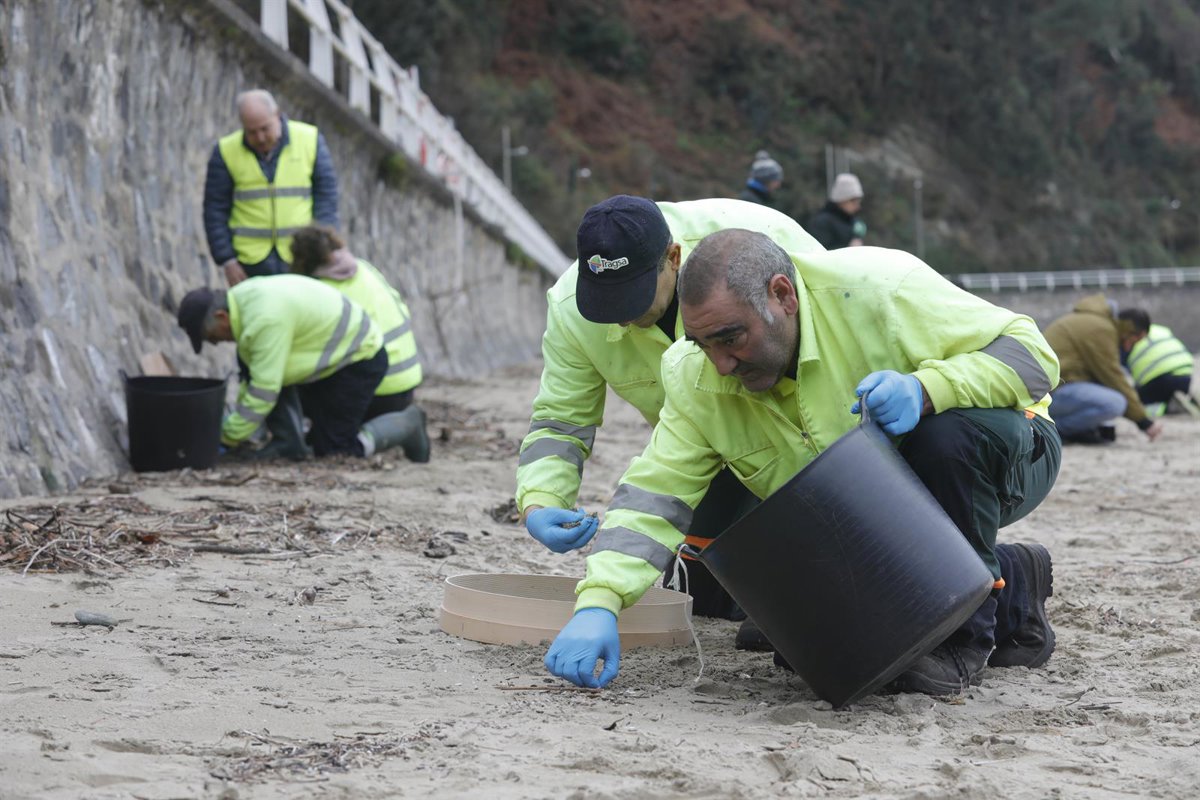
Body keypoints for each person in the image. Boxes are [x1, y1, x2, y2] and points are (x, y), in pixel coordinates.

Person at [543, 230, 1062, 697]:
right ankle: (1015, 579)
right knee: (802, 644)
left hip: (1001, 453)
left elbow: (1034, 356)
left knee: (947, 437)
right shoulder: (693, 374)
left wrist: (928, 389)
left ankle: (961, 637)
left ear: (783, 296)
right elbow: (657, 492)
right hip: (857, 503)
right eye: (703, 345)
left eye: (731, 338)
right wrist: (599, 603)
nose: (720, 364)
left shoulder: (879, 291)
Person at [517, 196, 824, 642]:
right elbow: (561, 418)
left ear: (673, 258)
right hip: (702, 442)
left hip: (798, 427)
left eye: (634, 298)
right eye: (607, 302)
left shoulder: (754, 249)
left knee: (793, 607)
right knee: (705, 600)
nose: (623, 316)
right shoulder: (571, 311)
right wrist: (541, 499)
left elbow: (828, 350)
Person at [176, 275, 423, 459]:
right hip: (333, 360)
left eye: (211, 336)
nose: (215, 342)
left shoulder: (264, 320)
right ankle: (289, 444)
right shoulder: (243, 302)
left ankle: (409, 424)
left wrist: (224, 437)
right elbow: (255, 379)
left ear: (221, 316)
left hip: (359, 360)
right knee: (315, 437)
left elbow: (264, 391)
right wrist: (232, 429)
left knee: (336, 449)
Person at [290, 224, 430, 462]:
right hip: (405, 384)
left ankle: (406, 425)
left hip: (377, 390)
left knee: (334, 448)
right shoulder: (365, 268)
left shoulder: (321, 290)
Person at [203, 89, 339, 286]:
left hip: (301, 257)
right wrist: (227, 260)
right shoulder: (225, 151)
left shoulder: (310, 140)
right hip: (249, 263)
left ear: (277, 114)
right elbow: (215, 209)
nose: (260, 138)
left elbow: (326, 198)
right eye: (251, 132)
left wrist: (323, 246)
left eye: (265, 129)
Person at [1043, 294, 1164, 444]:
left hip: (1049, 389)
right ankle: (1055, 430)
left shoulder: (1092, 321)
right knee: (1115, 403)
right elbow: (1114, 378)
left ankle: (1074, 429)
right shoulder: (1101, 329)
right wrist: (1144, 421)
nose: (1129, 348)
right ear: (1129, 329)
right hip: (1050, 394)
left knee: (1105, 393)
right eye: (1135, 341)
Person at [1116, 308, 1196, 416]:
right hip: (1186, 375)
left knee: (1130, 401)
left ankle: (1167, 407)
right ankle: (1178, 401)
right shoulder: (1160, 330)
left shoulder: (1128, 337)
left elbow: (1116, 370)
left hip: (1158, 378)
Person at [806, 173, 867, 250]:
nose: (857, 206)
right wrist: (848, 249)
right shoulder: (821, 222)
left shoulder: (853, 221)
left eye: (858, 202)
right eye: (853, 201)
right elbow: (819, 252)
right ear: (842, 199)